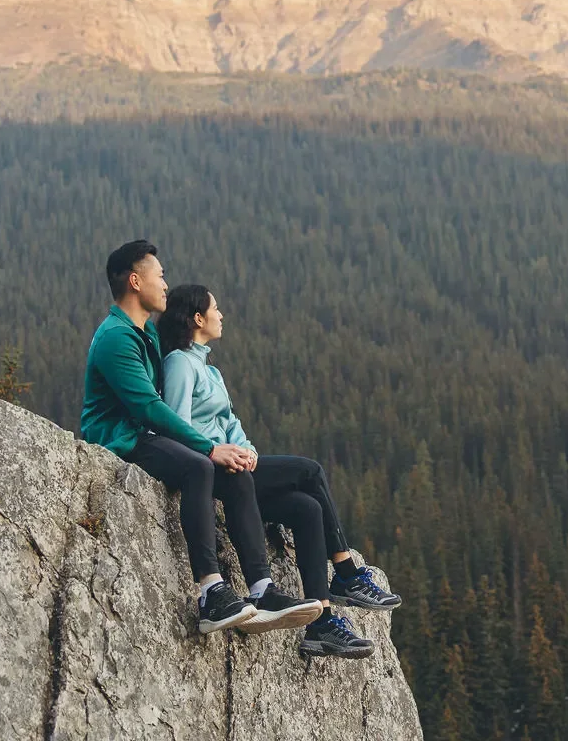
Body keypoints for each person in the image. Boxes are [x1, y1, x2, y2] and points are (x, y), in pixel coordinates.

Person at [81, 240, 321, 636]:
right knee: (198, 467)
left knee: (235, 475)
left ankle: (261, 589)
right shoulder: (115, 338)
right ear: (136, 280)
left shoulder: (146, 336)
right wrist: (209, 447)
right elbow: (149, 408)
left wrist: (227, 452)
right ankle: (211, 592)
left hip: (144, 436)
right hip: (121, 441)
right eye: (159, 276)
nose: (164, 284)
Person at [158, 282, 402, 659]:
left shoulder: (211, 370)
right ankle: (347, 573)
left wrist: (249, 449)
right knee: (310, 470)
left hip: (236, 465)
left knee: (308, 509)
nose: (221, 315)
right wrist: (214, 452)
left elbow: (231, 421)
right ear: (196, 318)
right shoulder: (179, 363)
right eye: (215, 308)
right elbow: (175, 425)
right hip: (212, 468)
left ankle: (321, 623)